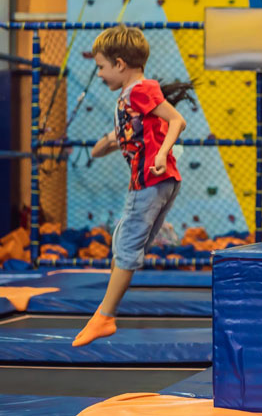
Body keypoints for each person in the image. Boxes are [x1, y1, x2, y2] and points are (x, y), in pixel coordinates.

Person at [72, 25, 188, 347]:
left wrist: (163, 153)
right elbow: (133, 131)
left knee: (125, 249)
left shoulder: (139, 90)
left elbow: (177, 121)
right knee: (123, 240)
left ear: (120, 64)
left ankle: (104, 317)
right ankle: (107, 310)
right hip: (158, 181)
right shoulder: (132, 95)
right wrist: (105, 144)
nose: (98, 74)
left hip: (150, 180)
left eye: (100, 67)